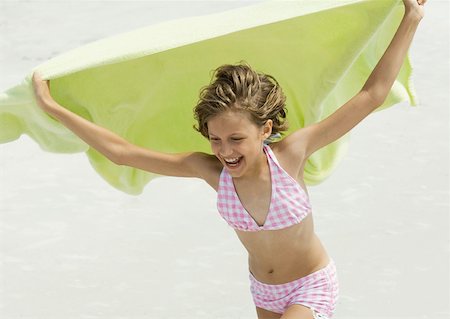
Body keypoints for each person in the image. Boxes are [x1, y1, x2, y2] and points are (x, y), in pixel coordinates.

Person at [31, 0, 426, 318]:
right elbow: (123, 153)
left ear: (265, 130)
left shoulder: (291, 155)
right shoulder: (209, 170)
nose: (225, 150)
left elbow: (370, 95)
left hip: (311, 284)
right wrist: (54, 109)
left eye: (236, 138)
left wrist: (411, 16)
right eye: (216, 139)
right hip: (263, 291)